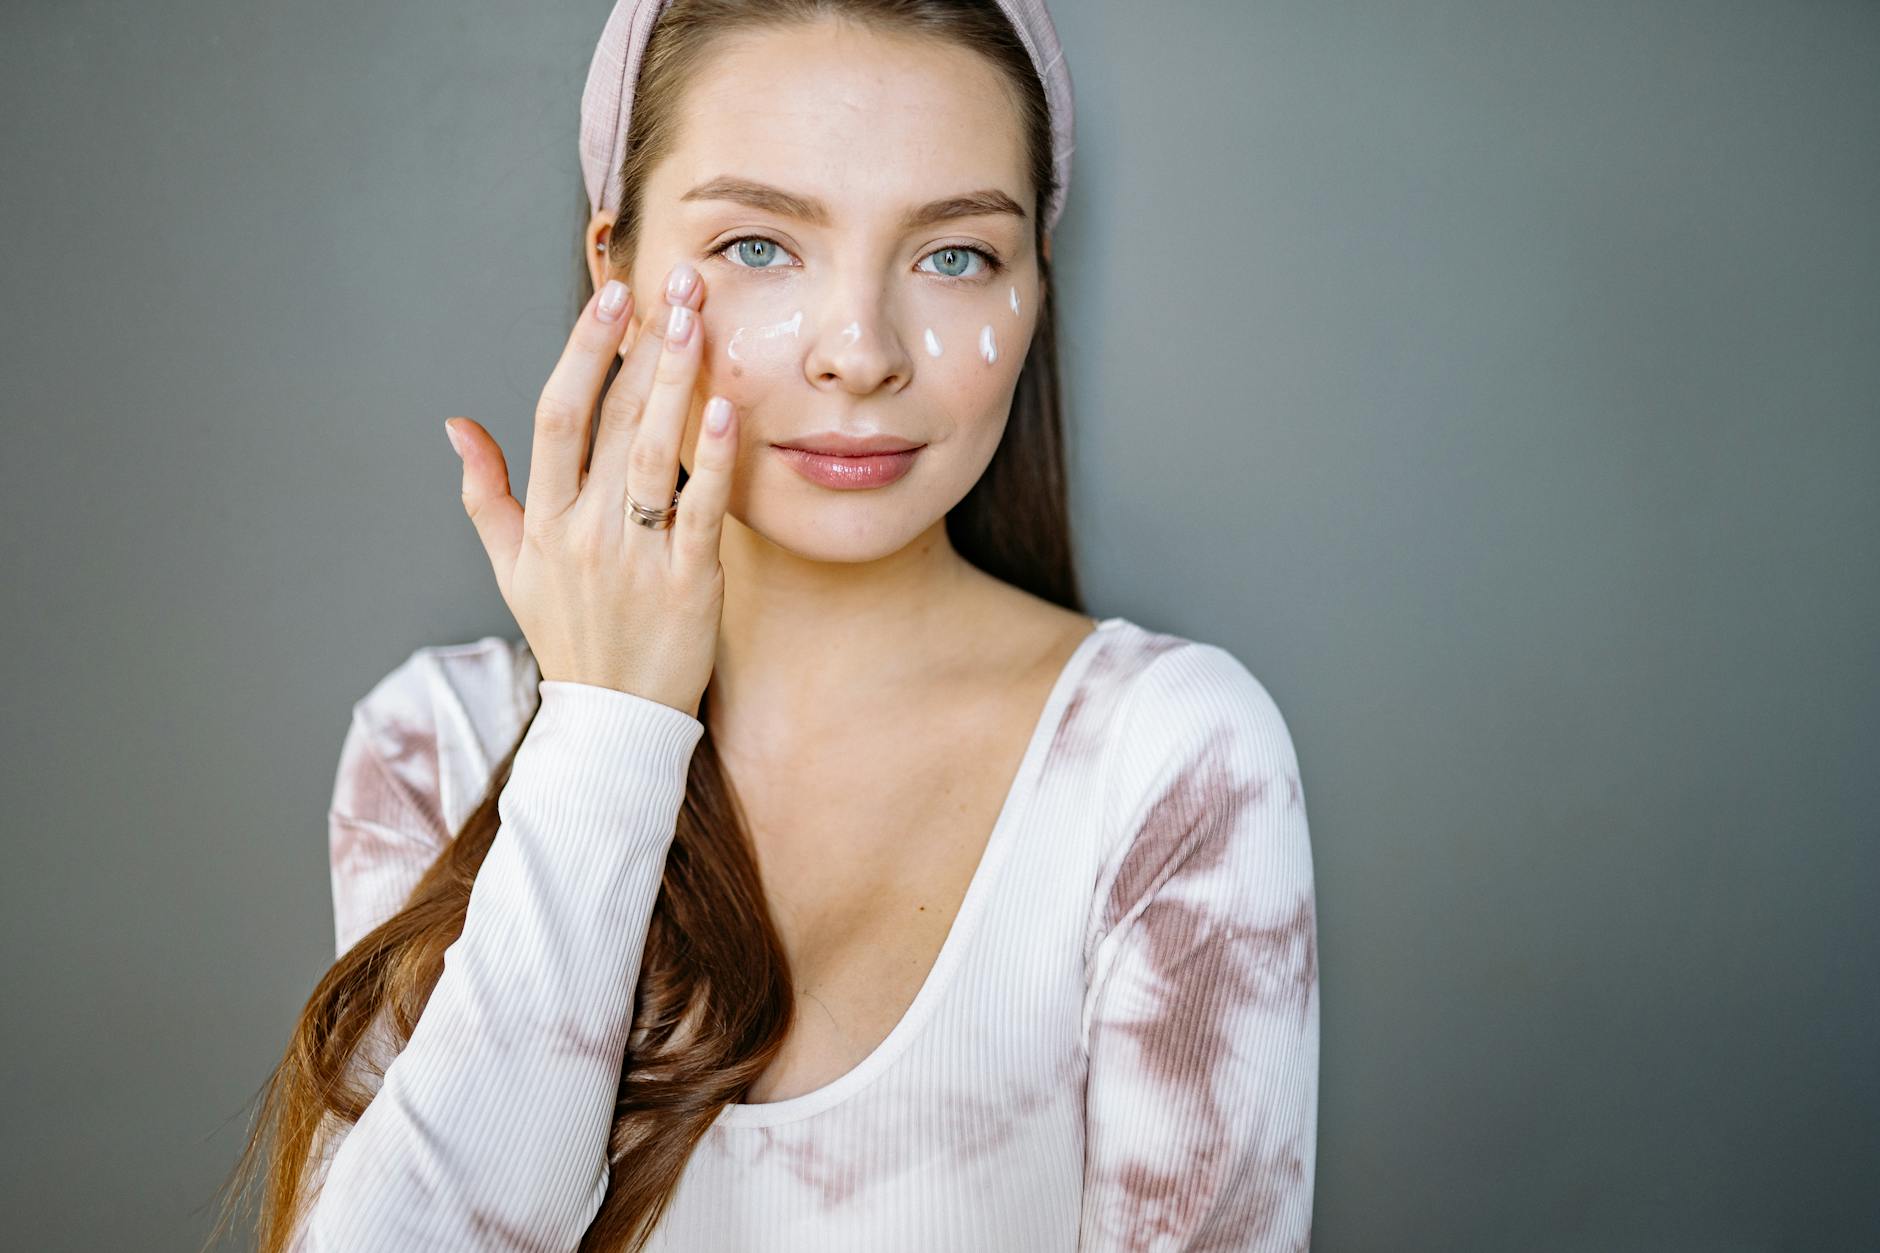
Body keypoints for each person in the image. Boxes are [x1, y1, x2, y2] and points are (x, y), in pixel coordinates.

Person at [215, 2, 1318, 1249]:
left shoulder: (1165, 760)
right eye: (756, 245)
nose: (861, 353)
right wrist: (606, 737)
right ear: (613, 274)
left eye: (954, 255)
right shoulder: (435, 745)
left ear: (1033, 289)